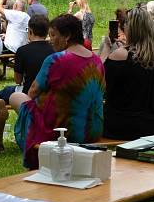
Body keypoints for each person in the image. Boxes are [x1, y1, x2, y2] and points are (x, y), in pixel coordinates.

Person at [9, 14, 105, 169]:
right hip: (92, 129)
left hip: (62, 131)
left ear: (67, 36)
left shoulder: (56, 59)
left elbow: (32, 92)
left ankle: (32, 138)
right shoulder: (96, 60)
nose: (51, 40)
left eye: (53, 35)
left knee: (16, 97)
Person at [101, 7, 154, 140]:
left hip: (126, 126)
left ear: (130, 28)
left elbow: (101, 83)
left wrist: (106, 47)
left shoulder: (122, 55)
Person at [0, 14, 55, 104]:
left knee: (3, 93)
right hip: (50, 93)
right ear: (47, 32)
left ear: (30, 31)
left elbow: (18, 80)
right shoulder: (55, 50)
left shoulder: (22, 51)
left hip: (27, 93)